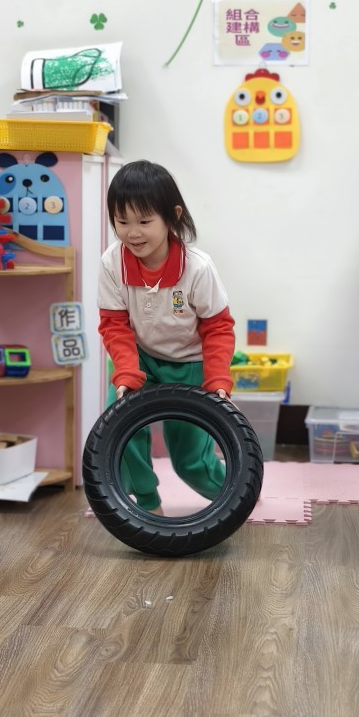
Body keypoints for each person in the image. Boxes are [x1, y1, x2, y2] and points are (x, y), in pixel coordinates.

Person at [97, 159, 236, 514]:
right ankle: (147, 502)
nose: (133, 233)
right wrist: (126, 371)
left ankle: (235, 493)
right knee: (121, 426)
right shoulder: (112, 263)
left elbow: (218, 328)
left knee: (190, 461)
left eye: (144, 222)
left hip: (189, 363)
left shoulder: (197, 268)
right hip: (140, 358)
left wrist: (217, 379)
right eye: (122, 221)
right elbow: (114, 325)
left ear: (172, 216)